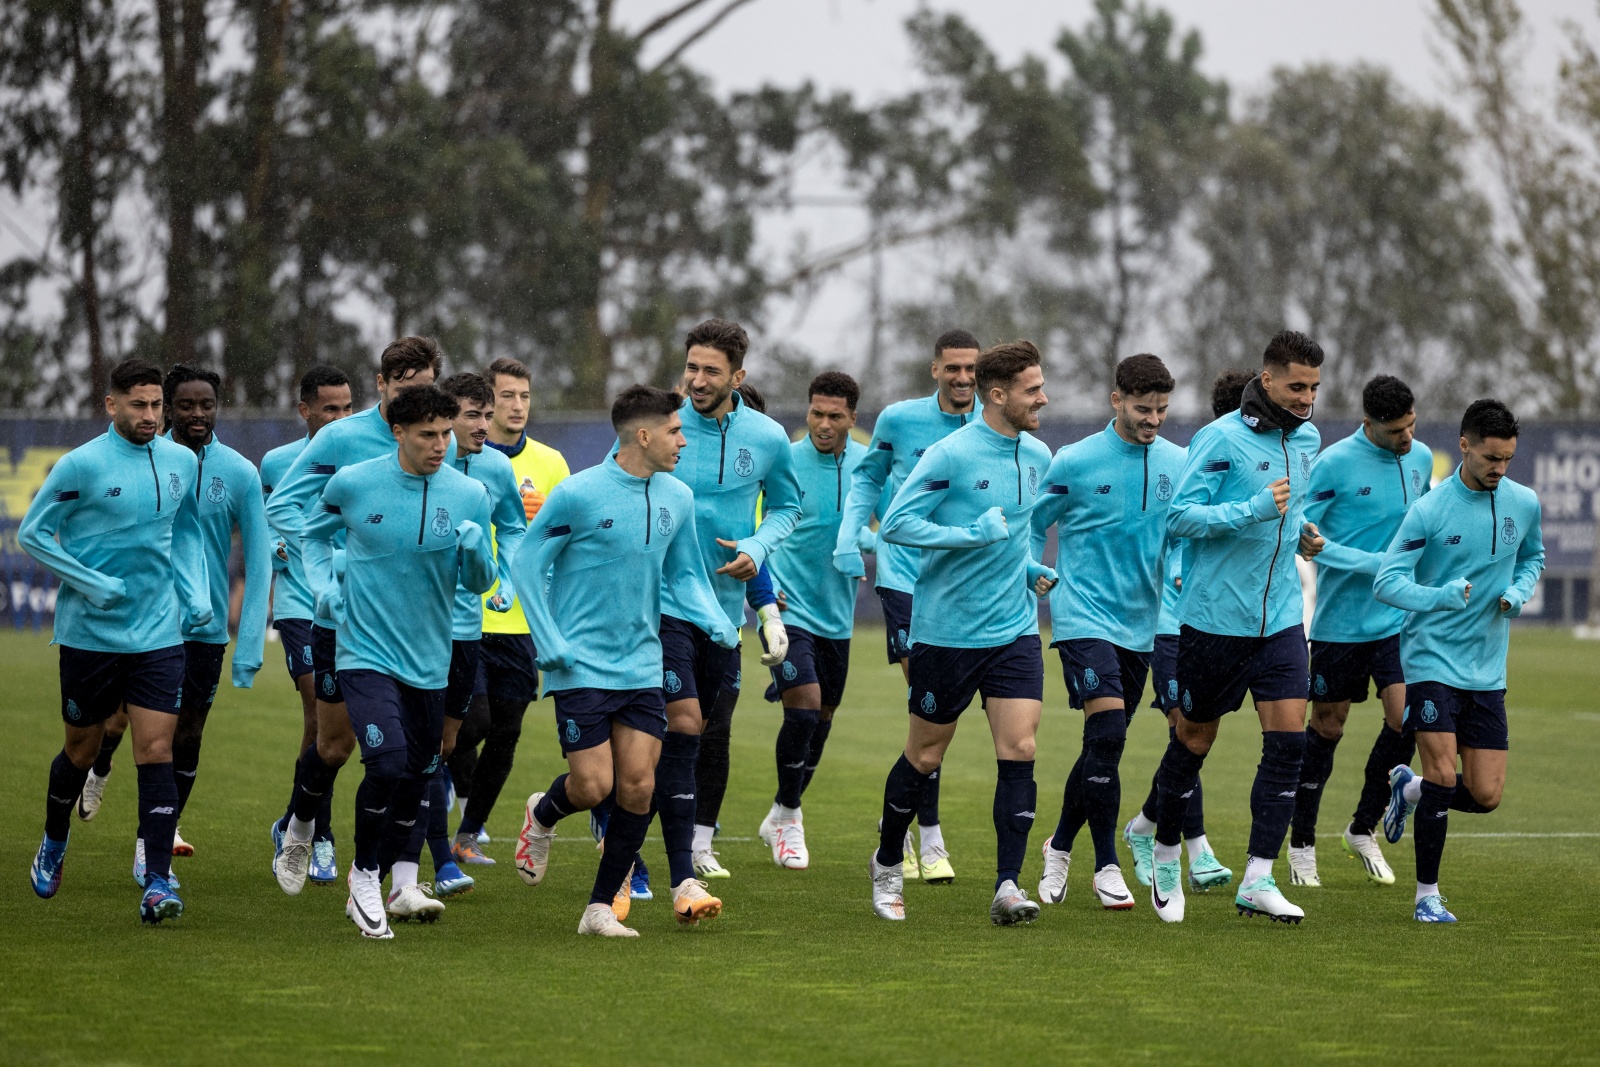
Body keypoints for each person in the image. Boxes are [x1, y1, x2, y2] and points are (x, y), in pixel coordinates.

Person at [510, 385, 739, 934]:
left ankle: (596, 909)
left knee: (637, 787)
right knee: (593, 786)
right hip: (580, 664)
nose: (684, 440)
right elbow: (525, 562)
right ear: (643, 435)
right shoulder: (578, 495)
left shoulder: (677, 498)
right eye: (674, 431)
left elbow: (684, 573)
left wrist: (715, 619)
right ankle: (542, 815)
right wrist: (549, 641)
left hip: (642, 662)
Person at [283, 384, 495, 938]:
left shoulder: (470, 494)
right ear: (397, 432)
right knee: (386, 762)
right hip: (364, 652)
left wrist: (475, 553)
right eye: (427, 434)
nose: (440, 445)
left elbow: (479, 583)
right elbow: (311, 534)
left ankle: (387, 876)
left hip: (431, 659)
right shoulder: (353, 483)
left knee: (421, 774)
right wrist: (323, 584)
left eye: (446, 434)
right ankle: (363, 877)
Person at [868, 340, 1056, 925]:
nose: (1043, 399)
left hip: (1014, 630)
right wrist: (971, 533)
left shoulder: (1038, 456)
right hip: (946, 633)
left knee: (1020, 749)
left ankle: (1007, 886)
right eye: (1032, 390)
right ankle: (887, 864)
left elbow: (1017, 535)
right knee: (924, 755)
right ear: (996, 395)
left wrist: (1029, 569)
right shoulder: (950, 454)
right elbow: (896, 525)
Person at [23, 357, 211, 924]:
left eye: (157, 405)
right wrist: (91, 582)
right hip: (90, 636)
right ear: (112, 405)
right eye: (139, 405)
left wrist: (195, 590)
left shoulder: (182, 460)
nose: (151, 415)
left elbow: (183, 532)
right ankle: (55, 842)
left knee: (156, 749)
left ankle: (156, 881)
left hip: (158, 632)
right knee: (81, 750)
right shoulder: (80, 465)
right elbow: (33, 533)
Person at [1149, 330, 1326, 925]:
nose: (1306, 398)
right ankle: (1167, 855)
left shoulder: (1309, 440)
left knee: (1288, 743)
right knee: (1194, 742)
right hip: (1213, 622)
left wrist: (1301, 534)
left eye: (1315, 388)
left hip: (1279, 620)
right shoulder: (1219, 438)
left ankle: (1258, 878)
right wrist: (1249, 510)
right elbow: (1178, 519)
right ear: (1268, 380)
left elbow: (1292, 512)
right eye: (1297, 386)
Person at [265, 337, 443, 890]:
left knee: (413, 755)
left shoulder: (444, 442)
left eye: (427, 388)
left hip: (413, 627)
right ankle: (300, 826)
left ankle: (394, 880)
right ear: (384, 385)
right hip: (345, 620)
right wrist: (329, 570)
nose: (418, 401)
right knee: (334, 743)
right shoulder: (342, 437)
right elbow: (283, 505)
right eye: (406, 388)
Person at [1029, 354, 1188, 911]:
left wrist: (1181, 569)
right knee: (1111, 734)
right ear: (1116, 399)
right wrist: (1032, 569)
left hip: (1141, 625)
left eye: (1162, 410)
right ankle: (1107, 867)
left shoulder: (1180, 461)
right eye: (1143, 408)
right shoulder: (1074, 460)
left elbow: (1186, 534)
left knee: (1102, 745)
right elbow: (1032, 523)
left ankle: (1059, 845)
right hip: (1082, 615)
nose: (1153, 419)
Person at [1375, 399, 1542, 923]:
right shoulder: (1429, 510)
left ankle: (1409, 789)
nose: (1499, 468)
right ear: (1465, 446)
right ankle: (1427, 896)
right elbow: (1387, 581)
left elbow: (1533, 556)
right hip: (1430, 659)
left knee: (1486, 794)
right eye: (1491, 457)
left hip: (1487, 667)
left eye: (1508, 459)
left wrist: (1519, 591)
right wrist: (1442, 596)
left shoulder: (1525, 503)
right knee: (1445, 776)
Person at [653, 319, 802, 886]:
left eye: (710, 370)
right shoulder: (661, 425)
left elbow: (788, 508)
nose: (697, 379)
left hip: (723, 609)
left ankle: (699, 841)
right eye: (691, 367)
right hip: (659, 602)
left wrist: (757, 547)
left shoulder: (766, 437)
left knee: (714, 729)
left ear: (737, 376)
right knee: (672, 723)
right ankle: (642, 846)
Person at [835, 329, 980, 883]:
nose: (963, 378)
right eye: (953, 369)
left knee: (959, 715)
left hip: (973, 588)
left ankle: (901, 815)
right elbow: (867, 479)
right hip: (906, 580)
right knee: (928, 706)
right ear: (935, 369)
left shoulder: (995, 425)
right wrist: (851, 536)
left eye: (971, 369)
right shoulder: (899, 420)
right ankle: (930, 837)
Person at [1287, 374, 1434, 888]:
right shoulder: (1333, 464)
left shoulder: (1419, 460)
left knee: (1409, 719)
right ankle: (1301, 842)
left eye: (1412, 425)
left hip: (1398, 621)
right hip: (1341, 626)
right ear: (1368, 423)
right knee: (1327, 729)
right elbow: (1303, 533)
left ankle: (1362, 826)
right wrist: (1371, 562)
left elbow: (1425, 525)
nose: (1408, 439)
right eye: (1397, 431)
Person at [385, 372, 526, 902]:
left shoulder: (494, 468)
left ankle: (422, 845)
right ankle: (437, 859)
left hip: (467, 625)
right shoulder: (403, 466)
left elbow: (513, 527)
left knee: (445, 742)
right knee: (407, 748)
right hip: (410, 627)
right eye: (473, 415)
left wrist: (505, 577)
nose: (482, 426)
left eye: (487, 416)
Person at [1122, 369, 1251, 892]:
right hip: (1166, 624)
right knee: (1185, 730)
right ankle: (1194, 850)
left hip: (1218, 623)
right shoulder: (1197, 457)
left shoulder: (1261, 464)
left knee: (1196, 735)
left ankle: (1146, 826)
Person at [146, 364, 273, 876]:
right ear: (168, 408)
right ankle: (103, 764)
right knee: (119, 727)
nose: (197, 413)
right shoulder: (146, 463)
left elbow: (261, 560)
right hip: (146, 623)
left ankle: (156, 832)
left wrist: (249, 648)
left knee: (188, 733)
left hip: (206, 629)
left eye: (206, 405)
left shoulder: (240, 472)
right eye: (186, 405)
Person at [448, 357, 569, 864]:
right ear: (485, 405)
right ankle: (445, 793)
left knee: (508, 727)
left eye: (524, 396)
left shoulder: (552, 463)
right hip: (468, 618)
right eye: (506, 397)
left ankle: (468, 833)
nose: (516, 406)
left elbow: (560, 539)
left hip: (521, 619)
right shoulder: (450, 456)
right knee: (470, 722)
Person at [753, 372, 867, 870]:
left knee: (822, 720)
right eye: (816, 413)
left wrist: (868, 545)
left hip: (837, 619)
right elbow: (758, 528)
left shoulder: (869, 466)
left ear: (852, 418)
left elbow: (893, 524)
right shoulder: (783, 461)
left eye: (835, 416)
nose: (823, 424)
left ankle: (780, 811)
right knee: (804, 709)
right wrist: (766, 593)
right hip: (785, 609)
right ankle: (792, 818)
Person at [258, 365, 353, 884]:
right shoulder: (276, 463)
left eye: (347, 407)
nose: (340, 417)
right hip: (300, 604)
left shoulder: (369, 457)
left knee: (339, 731)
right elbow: (271, 523)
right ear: (305, 411)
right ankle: (319, 836)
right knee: (319, 714)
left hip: (355, 606)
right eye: (329, 408)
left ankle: (294, 817)